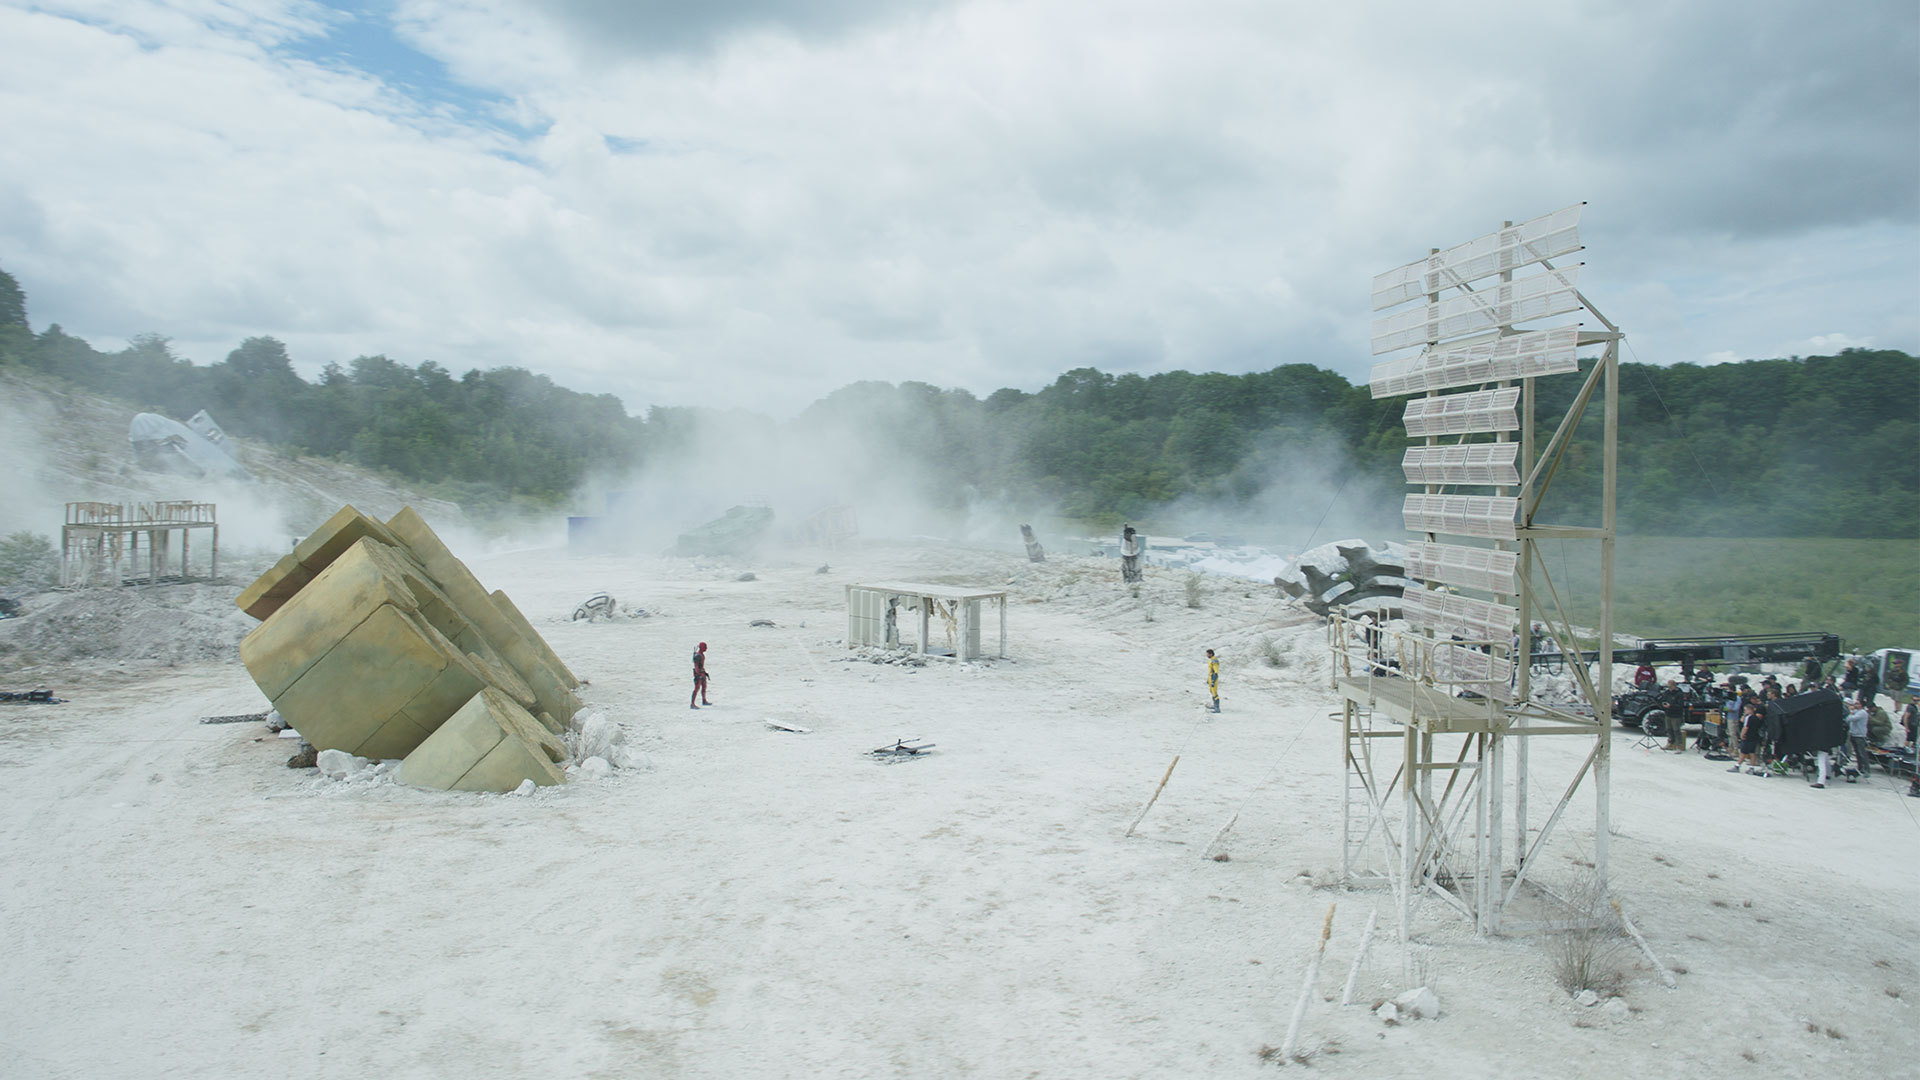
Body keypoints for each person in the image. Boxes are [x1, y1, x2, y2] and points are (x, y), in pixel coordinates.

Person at [690, 641, 711, 709]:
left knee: (704, 687)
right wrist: (698, 674)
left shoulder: (702, 655)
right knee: (697, 688)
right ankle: (692, 703)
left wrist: (704, 673)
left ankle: (704, 700)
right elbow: (696, 666)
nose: (706, 648)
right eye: (705, 647)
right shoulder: (698, 656)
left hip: (702, 673)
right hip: (698, 674)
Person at [1205, 648, 1221, 713]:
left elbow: (1216, 672)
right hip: (1210, 678)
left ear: (1211, 654)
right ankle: (1214, 705)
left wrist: (1213, 681)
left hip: (1213, 678)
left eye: (1207, 654)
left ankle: (1217, 708)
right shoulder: (1211, 660)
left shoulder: (1214, 661)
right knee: (1212, 691)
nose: (1207, 655)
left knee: (1215, 693)